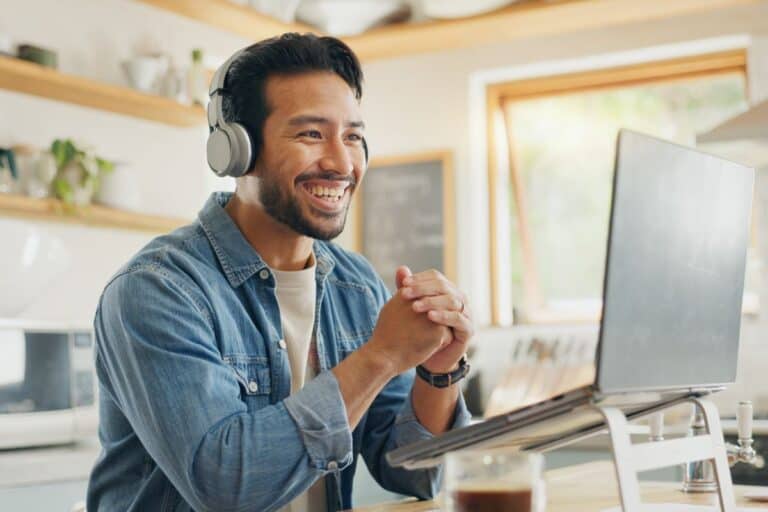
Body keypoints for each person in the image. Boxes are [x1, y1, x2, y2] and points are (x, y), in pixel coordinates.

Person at [87, 33, 474, 512]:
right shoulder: (157, 291)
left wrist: (438, 374)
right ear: (237, 150)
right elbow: (226, 487)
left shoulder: (356, 286)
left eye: (352, 136)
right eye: (311, 134)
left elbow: (415, 471)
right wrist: (380, 356)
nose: (341, 162)